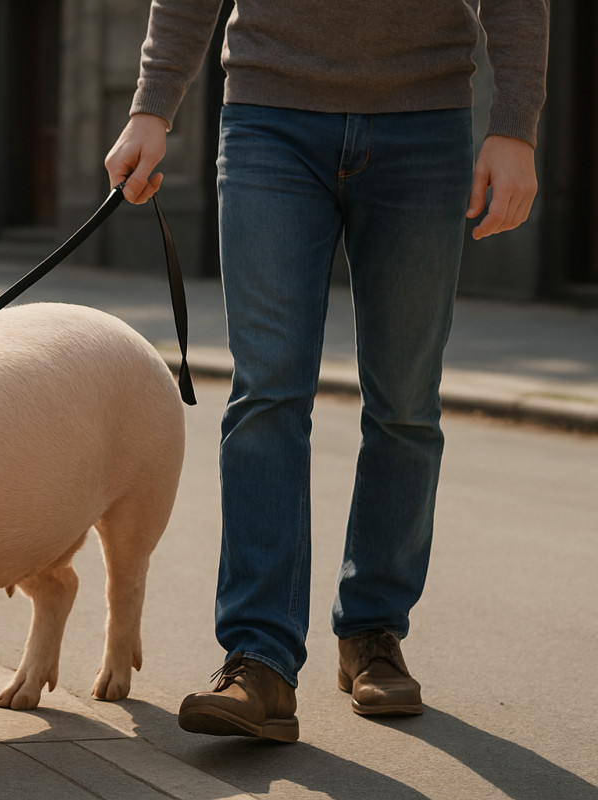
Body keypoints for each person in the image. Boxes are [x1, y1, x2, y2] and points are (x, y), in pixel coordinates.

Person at [105, 1, 548, 742]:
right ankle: (259, 659)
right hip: (269, 115)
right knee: (267, 393)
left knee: (405, 402)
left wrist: (516, 124)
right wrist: (153, 104)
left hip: (425, 116)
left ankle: (372, 631)